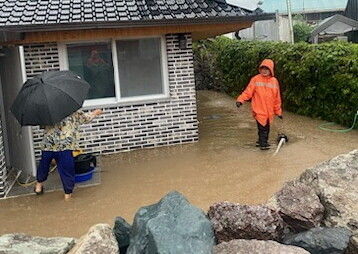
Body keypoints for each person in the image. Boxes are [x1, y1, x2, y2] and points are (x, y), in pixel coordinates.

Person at [34, 109, 103, 200]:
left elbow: (42, 126)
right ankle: (67, 195)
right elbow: (85, 118)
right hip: (65, 145)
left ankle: (38, 187)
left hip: (48, 144)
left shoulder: (46, 111)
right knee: (66, 169)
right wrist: (95, 113)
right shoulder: (71, 109)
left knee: (44, 165)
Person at [236, 59, 282, 150]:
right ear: (260, 69)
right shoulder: (255, 79)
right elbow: (248, 92)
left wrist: (278, 112)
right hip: (259, 110)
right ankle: (263, 145)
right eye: (263, 68)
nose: (264, 71)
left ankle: (260, 142)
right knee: (263, 128)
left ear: (271, 70)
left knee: (266, 128)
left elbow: (277, 98)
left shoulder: (274, 81)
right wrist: (240, 100)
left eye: (266, 69)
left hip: (269, 112)